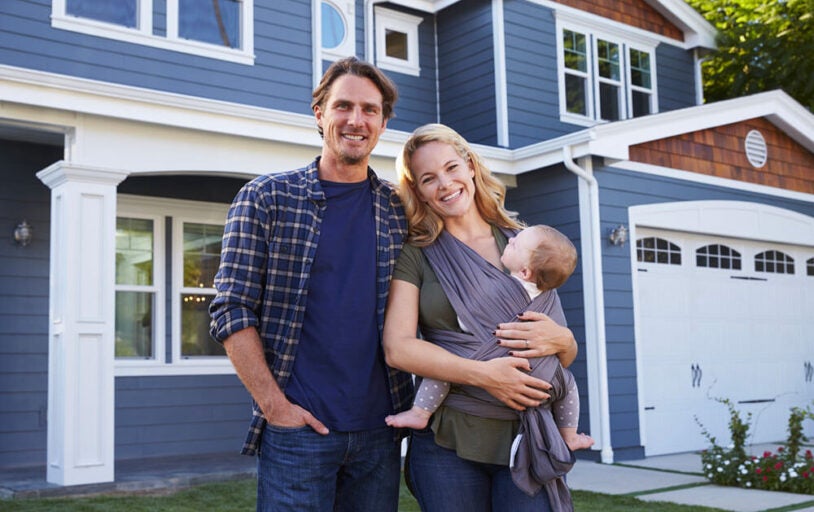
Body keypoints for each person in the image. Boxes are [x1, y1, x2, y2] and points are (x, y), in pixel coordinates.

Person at [208, 56, 413, 512]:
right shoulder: (266, 198)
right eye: (343, 106)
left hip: (380, 432)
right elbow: (230, 308)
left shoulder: (400, 211)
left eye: (370, 110)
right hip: (297, 431)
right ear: (319, 113)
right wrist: (275, 408)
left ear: (383, 123)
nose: (356, 121)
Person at [383, 123, 581, 512]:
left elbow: (557, 356)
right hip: (449, 440)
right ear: (418, 191)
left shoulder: (524, 244)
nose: (445, 184)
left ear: (471, 166)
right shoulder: (417, 254)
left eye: (452, 167)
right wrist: (485, 374)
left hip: (526, 436)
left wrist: (567, 342)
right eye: (428, 179)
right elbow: (398, 348)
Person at [385, 224, 594, 453]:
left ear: (524, 271)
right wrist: (565, 340)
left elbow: (468, 319)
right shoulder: (547, 296)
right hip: (542, 378)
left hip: (491, 364)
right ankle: (569, 435)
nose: (511, 241)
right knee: (568, 384)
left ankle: (420, 412)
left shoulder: (498, 288)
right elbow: (559, 348)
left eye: (515, 244)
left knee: (443, 366)